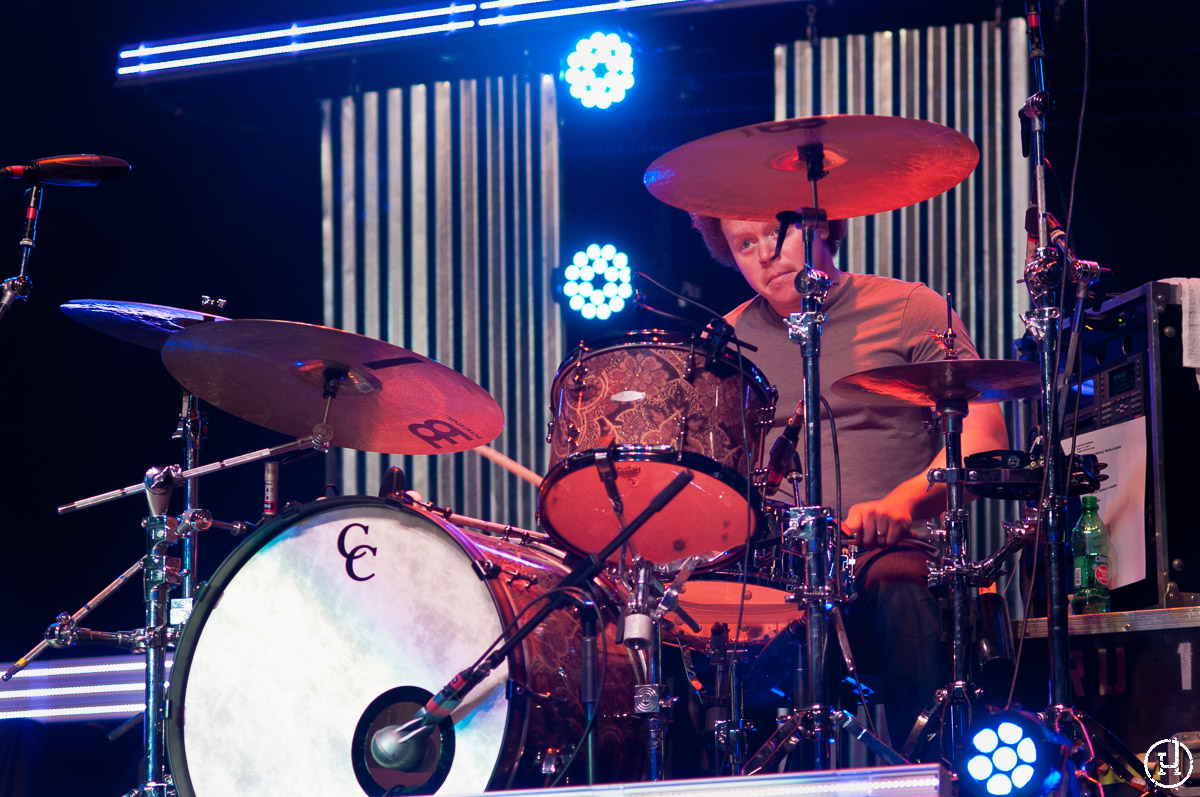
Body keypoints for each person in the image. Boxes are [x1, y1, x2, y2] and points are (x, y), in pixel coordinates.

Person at [689, 213, 1011, 752]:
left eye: (778, 231)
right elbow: (705, 472)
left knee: (899, 588)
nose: (765, 254)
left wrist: (904, 503)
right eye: (745, 243)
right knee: (693, 623)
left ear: (823, 224)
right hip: (775, 569)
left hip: (889, 553)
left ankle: (930, 771)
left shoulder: (911, 309)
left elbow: (983, 433)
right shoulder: (724, 343)